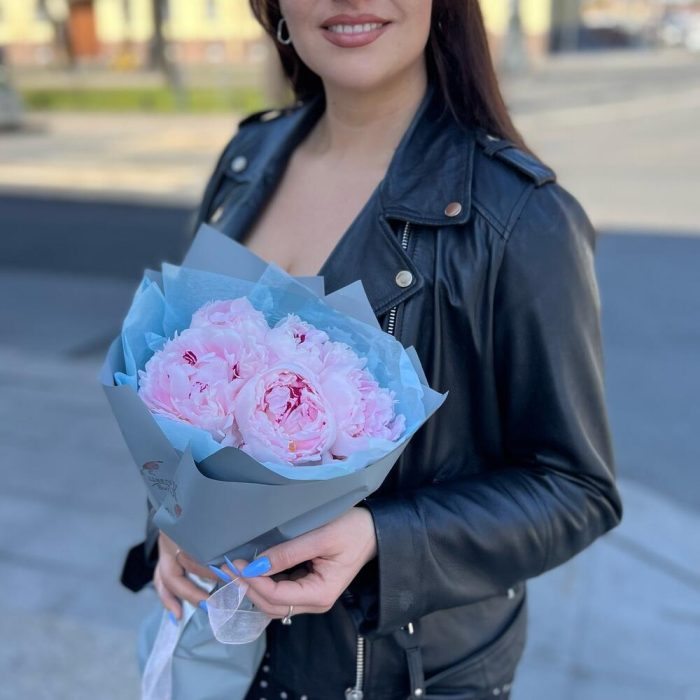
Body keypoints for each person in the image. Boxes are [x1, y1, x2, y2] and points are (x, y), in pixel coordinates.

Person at [122, 1, 623, 698]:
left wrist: (381, 540)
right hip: (226, 661)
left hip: (399, 677)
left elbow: (576, 490)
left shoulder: (519, 217)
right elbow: (179, 387)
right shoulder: (246, 160)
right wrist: (174, 520)